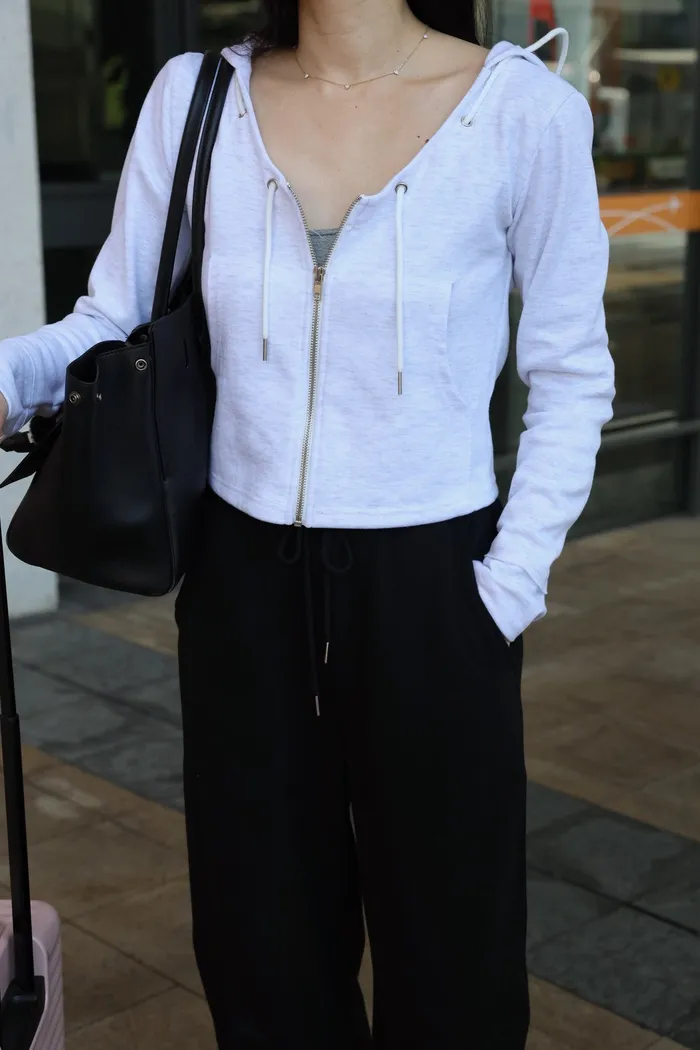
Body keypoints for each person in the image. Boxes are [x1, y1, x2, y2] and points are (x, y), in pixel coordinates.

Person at [0, 0, 614, 1046]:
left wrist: (504, 589)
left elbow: (570, 373)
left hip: (436, 588)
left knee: (453, 963)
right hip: (241, 585)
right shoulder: (199, 96)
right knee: (261, 952)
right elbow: (110, 318)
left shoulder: (523, 112)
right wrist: (10, 378)